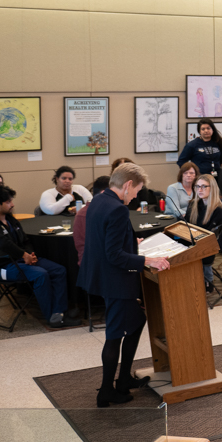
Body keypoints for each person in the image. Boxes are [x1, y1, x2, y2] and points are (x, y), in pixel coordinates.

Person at [76, 162, 170, 407]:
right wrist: (149, 260)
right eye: (137, 190)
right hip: (115, 280)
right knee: (114, 335)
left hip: (101, 276)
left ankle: (124, 379)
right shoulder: (118, 209)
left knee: (137, 321)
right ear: (128, 185)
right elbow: (114, 255)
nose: (137, 195)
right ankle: (107, 391)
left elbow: (104, 238)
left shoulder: (99, 200)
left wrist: (130, 240)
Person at [0, 184, 79, 329]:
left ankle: (59, 313)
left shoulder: (9, 219)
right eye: (8, 202)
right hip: (3, 268)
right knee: (41, 275)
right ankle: (51, 316)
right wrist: (24, 255)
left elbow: (25, 240)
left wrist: (30, 255)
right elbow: (5, 244)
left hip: (21, 260)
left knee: (59, 270)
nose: (12, 204)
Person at [186, 174, 222, 288]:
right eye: (197, 186)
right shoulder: (193, 204)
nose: (199, 190)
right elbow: (187, 224)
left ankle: (206, 283)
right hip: (193, 239)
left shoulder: (218, 208)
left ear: (212, 188)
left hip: (208, 243)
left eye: (204, 186)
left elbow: (210, 235)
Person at [74, 176, 110, 266]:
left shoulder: (82, 212)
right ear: (104, 193)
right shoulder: (102, 212)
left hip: (88, 265)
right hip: (101, 265)